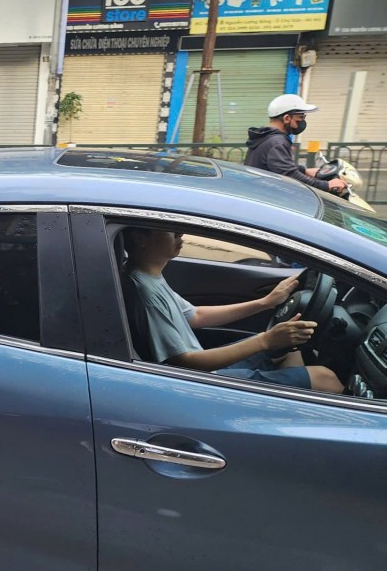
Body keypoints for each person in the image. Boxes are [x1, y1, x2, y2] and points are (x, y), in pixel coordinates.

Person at [123, 227, 342, 393]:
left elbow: (195, 315)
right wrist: (265, 340)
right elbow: (183, 363)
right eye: (171, 230)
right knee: (326, 378)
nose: (181, 233)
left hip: (202, 371)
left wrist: (265, 302)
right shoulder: (145, 292)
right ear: (141, 239)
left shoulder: (148, 278)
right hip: (200, 384)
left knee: (289, 349)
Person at [245, 94, 347, 194]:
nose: (302, 122)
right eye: (301, 117)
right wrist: (326, 185)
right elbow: (290, 175)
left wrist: (305, 171)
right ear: (287, 118)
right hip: (267, 195)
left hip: (258, 190)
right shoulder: (277, 142)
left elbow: (279, 166)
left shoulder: (266, 136)